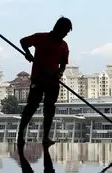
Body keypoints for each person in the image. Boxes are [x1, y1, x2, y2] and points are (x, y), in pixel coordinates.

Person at [17, 17, 72, 150]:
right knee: (31, 106)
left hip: (53, 82)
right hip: (38, 79)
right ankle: (20, 135)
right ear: (58, 28)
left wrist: (59, 73)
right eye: (65, 31)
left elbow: (63, 64)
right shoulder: (40, 37)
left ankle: (45, 137)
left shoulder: (63, 45)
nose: (65, 34)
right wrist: (28, 54)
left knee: (49, 109)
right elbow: (23, 41)